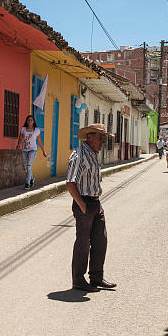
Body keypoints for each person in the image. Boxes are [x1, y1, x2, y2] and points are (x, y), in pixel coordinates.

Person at [65, 123, 117, 292]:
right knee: (83, 243)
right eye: (100, 137)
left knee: (100, 240)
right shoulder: (79, 155)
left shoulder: (93, 154)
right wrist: (82, 205)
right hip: (84, 203)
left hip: (95, 202)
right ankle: (78, 280)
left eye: (104, 138)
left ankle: (96, 277)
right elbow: (70, 183)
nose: (102, 141)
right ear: (90, 137)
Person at [16, 115, 47, 190]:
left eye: (31, 120)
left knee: (29, 166)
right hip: (24, 150)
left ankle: (27, 183)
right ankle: (32, 177)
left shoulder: (36, 130)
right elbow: (20, 139)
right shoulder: (23, 129)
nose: (30, 121)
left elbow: (39, 141)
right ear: (26, 121)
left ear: (33, 122)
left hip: (33, 150)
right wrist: (18, 145)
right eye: (28, 120)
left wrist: (43, 151)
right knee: (25, 167)